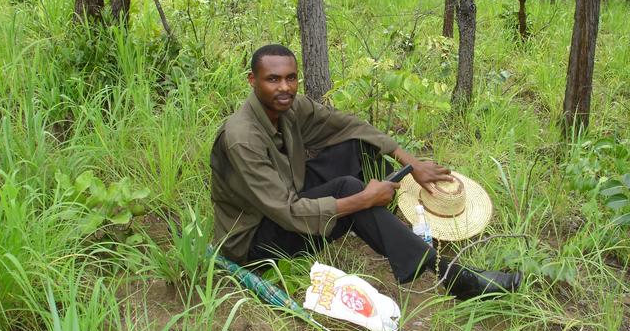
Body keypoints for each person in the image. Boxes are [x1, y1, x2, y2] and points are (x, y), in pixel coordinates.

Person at [210, 44, 522, 299]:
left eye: (291, 78)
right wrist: (363, 199)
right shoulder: (242, 138)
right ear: (252, 80)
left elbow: (347, 125)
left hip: (287, 196)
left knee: (355, 145)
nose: (284, 87)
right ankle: (455, 277)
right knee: (350, 190)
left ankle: (400, 223)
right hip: (254, 241)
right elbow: (288, 212)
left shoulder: (290, 107)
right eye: (273, 79)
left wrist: (410, 163)